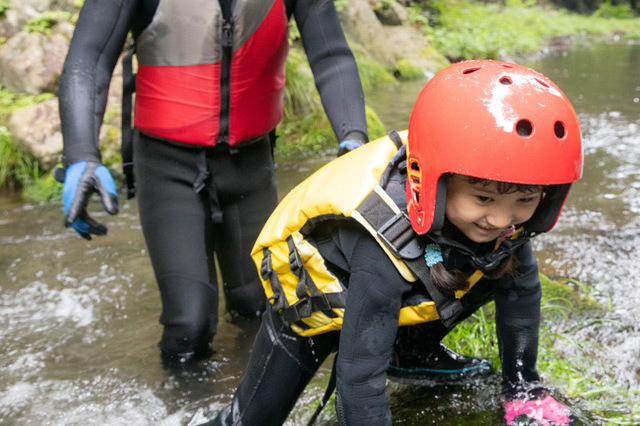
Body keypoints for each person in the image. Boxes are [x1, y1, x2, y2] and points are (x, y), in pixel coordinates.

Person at [199, 59, 584, 425]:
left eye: (525, 200)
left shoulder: (503, 225)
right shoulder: (384, 245)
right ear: (437, 182)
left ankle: (411, 353)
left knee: (497, 265)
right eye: (484, 198)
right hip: (318, 306)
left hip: (397, 292)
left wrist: (523, 387)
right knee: (251, 420)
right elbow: (358, 380)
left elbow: (522, 295)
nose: (502, 219)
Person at [56, 0, 370, 366]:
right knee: (189, 323)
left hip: (250, 163)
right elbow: (88, 59)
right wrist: (81, 154)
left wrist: (354, 139)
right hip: (167, 165)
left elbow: (331, 54)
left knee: (263, 308)